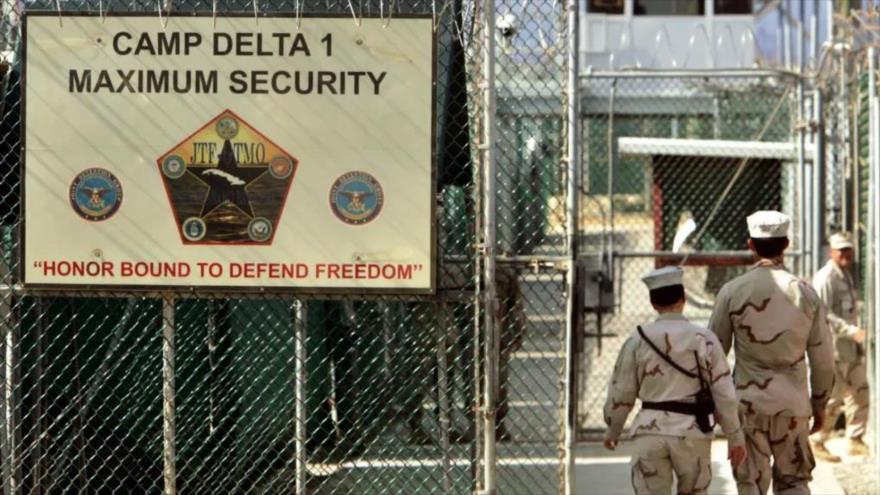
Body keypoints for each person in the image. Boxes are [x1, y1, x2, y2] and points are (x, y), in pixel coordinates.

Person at [708, 211, 835, 495]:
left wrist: (717, 405)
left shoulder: (731, 291)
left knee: (749, 483)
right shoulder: (806, 292)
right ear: (786, 244)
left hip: (747, 407)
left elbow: (714, 355)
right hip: (793, 405)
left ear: (750, 244)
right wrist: (820, 403)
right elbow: (824, 360)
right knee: (794, 482)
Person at [604, 266, 747, 495]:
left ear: (653, 303)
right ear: (683, 298)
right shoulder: (704, 339)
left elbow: (622, 392)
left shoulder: (637, 339)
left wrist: (613, 429)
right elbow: (724, 394)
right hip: (692, 432)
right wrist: (735, 436)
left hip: (650, 432)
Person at [811, 232, 870, 461]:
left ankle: (855, 438)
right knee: (834, 398)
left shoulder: (845, 274)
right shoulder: (826, 278)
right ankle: (817, 440)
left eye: (848, 250)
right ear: (831, 252)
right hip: (835, 347)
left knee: (860, 391)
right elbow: (824, 314)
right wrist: (850, 330)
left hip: (851, 348)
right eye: (841, 250)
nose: (845, 254)